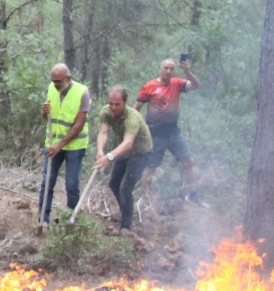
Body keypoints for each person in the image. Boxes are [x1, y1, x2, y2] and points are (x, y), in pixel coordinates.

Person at [135, 57, 202, 203]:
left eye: (171, 68)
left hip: (173, 132)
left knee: (188, 161)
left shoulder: (177, 83)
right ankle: (145, 201)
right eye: (166, 68)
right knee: (150, 168)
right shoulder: (150, 86)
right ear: (160, 69)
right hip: (155, 133)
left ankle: (192, 195)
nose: (168, 71)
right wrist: (136, 131)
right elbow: (136, 109)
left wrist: (187, 71)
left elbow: (196, 85)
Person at [93, 86, 154, 234]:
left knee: (125, 187)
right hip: (124, 151)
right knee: (114, 184)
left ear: (125, 102)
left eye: (117, 104)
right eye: (111, 103)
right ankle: (127, 211)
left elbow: (128, 143)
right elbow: (103, 132)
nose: (113, 107)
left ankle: (126, 227)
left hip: (141, 152)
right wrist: (100, 151)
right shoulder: (106, 112)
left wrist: (109, 157)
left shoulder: (132, 118)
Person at [38, 63, 90, 223]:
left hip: (74, 147)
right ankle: (43, 218)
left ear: (68, 78)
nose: (55, 84)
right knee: (47, 181)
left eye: (58, 81)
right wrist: (44, 113)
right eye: (53, 81)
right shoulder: (51, 88)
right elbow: (48, 119)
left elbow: (79, 124)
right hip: (52, 144)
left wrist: (60, 145)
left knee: (72, 184)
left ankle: (71, 219)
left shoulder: (82, 92)